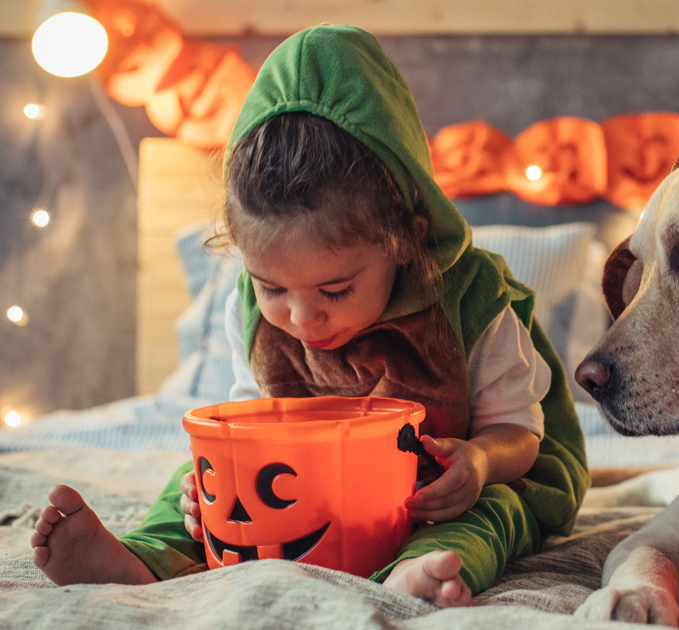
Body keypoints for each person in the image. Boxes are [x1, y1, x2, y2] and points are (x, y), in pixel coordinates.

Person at [29, 24, 589, 607]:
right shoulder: (247, 312)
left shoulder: (474, 303)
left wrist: (477, 460)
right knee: (194, 490)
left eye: (336, 290)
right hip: (306, 486)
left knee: (495, 509)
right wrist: (213, 485)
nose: (302, 319)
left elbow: (519, 436)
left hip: (440, 490)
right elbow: (246, 428)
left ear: (406, 240)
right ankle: (140, 558)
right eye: (271, 287)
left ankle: (420, 570)